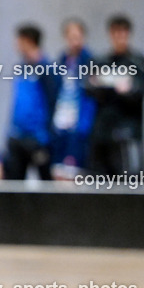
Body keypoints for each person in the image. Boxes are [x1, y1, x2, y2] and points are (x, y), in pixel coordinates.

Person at [84, 13, 144, 176]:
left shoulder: (138, 61)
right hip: (103, 130)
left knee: (129, 179)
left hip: (128, 129)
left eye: (122, 32)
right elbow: (87, 87)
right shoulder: (101, 61)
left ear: (128, 34)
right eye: (115, 33)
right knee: (99, 179)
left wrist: (129, 89)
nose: (119, 37)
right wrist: (96, 84)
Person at [3, 23, 58, 181]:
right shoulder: (21, 68)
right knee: (12, 184)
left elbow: (52, 101)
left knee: (46, 182)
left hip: (37, 138)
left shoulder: (47, 69)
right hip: (17, 136)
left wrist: (45, 134)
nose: (16, 45)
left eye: (19, 40)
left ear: (28, 41)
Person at [50, 17, 96, 176]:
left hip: (79, 125)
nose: (74, 41)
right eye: (71, 37)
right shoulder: (62, 60)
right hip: (61, 120)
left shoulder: (91, 61)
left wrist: (84, 125)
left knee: (75, 171)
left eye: (77, 37)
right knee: (58, 170)